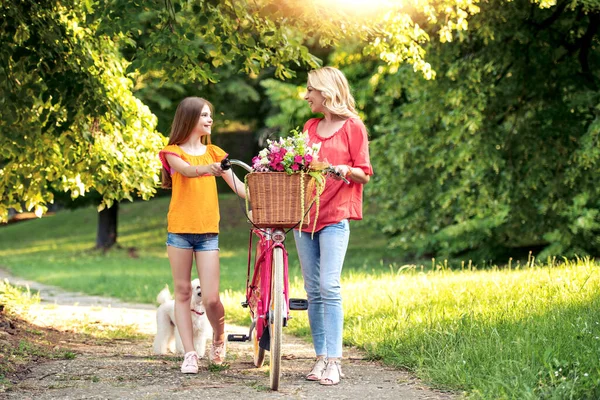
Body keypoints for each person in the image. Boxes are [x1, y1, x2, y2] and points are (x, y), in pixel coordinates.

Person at [294, 67, 373, 386]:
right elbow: (298, 165)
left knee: (329, 285)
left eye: (310, 90)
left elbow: (364, 172)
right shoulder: (310, 127)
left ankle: (335, 360)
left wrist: (343, 168)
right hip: (305, 217)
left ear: (326, 92)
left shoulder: (353, 126)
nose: (306, 96)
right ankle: (321, 357)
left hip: (335, 216)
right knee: (313, 291)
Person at [158, 97, 246, 374]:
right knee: (182, 293)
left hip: (208, 232)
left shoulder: (216, 153)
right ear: (189, 119)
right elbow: (185, 171)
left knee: (210, 298)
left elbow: (241, 188)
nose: (210, 120)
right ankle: (190, 354)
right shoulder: (172, 152)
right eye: (204, 115)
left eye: (210, 115)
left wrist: (271, 189)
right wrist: (209, 169)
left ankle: (219, 339)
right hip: (180, 232)